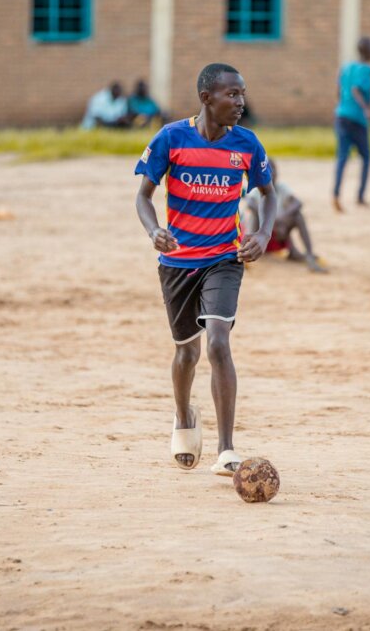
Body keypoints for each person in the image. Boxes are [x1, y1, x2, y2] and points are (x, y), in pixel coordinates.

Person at [134, 62, 276, 477]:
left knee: (217, 343)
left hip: (224, 258)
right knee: (186, 352)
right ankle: (183, 418)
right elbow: (143, 196)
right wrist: (154, 230)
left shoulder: (248, 145)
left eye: (242, 94)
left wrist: (263, 234)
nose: (240, 103)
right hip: (177, 260)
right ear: (206, 99)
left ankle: (226, 449)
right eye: (232, 95)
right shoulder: (170, 139)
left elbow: (269, 194)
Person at [242, 159, 327, 273]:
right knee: (255, 215)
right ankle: (247, 253)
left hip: (278, 233)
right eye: (269, 171)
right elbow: (250, 204)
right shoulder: (258, 189)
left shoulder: (281, 187)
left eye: (274, 170)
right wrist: (271, 221)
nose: (272, 174)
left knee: (297, 216)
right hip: (260, 237)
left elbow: (298, 203)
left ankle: (308, 254)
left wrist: (280, 218)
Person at [333, 36, 370, 212]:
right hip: (357, 118)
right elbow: (356, 89)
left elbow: (339, 91)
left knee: (343, 156)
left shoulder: (346, 67)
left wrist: (343, 106)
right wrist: (366, 108)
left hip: (341, 115)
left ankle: (335, 195)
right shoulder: (367, 70)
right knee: (366, 157)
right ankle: (360, 196)